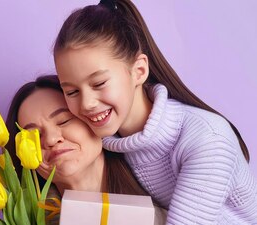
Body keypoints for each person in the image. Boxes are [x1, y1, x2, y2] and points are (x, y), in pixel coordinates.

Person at [52, 0, 257, 223]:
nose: (87, 104)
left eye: (99, 83)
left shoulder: (206, 138)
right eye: (71, 92)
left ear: (139, 71)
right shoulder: (109, 144)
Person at [4, 75, 166, 224]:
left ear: (98, 119)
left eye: (64, 120)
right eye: (34, 135)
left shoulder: (170, 204)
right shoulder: (24, 220)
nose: (51, 139)